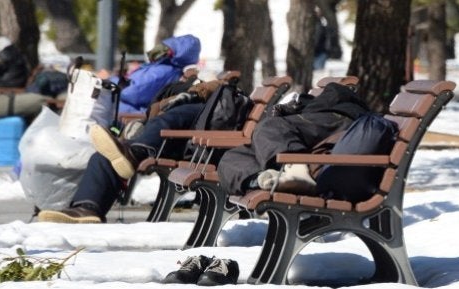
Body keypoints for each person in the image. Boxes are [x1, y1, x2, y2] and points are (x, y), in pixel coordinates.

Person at [36, 79, 226, 224]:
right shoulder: (191, 103)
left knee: (168, 120)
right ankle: (87, 208)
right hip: (172, 142)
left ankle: (135, 153)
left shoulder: (208, 107)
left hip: (197, 148)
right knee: (102, 156)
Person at [217, 82, 370, 196]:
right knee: (230, 157)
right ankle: (264, 180)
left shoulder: (336, 95)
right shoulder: (323, 96)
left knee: (268, 126)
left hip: (339, 119)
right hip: (308, 133)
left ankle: (294, 169)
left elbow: (335, 96)